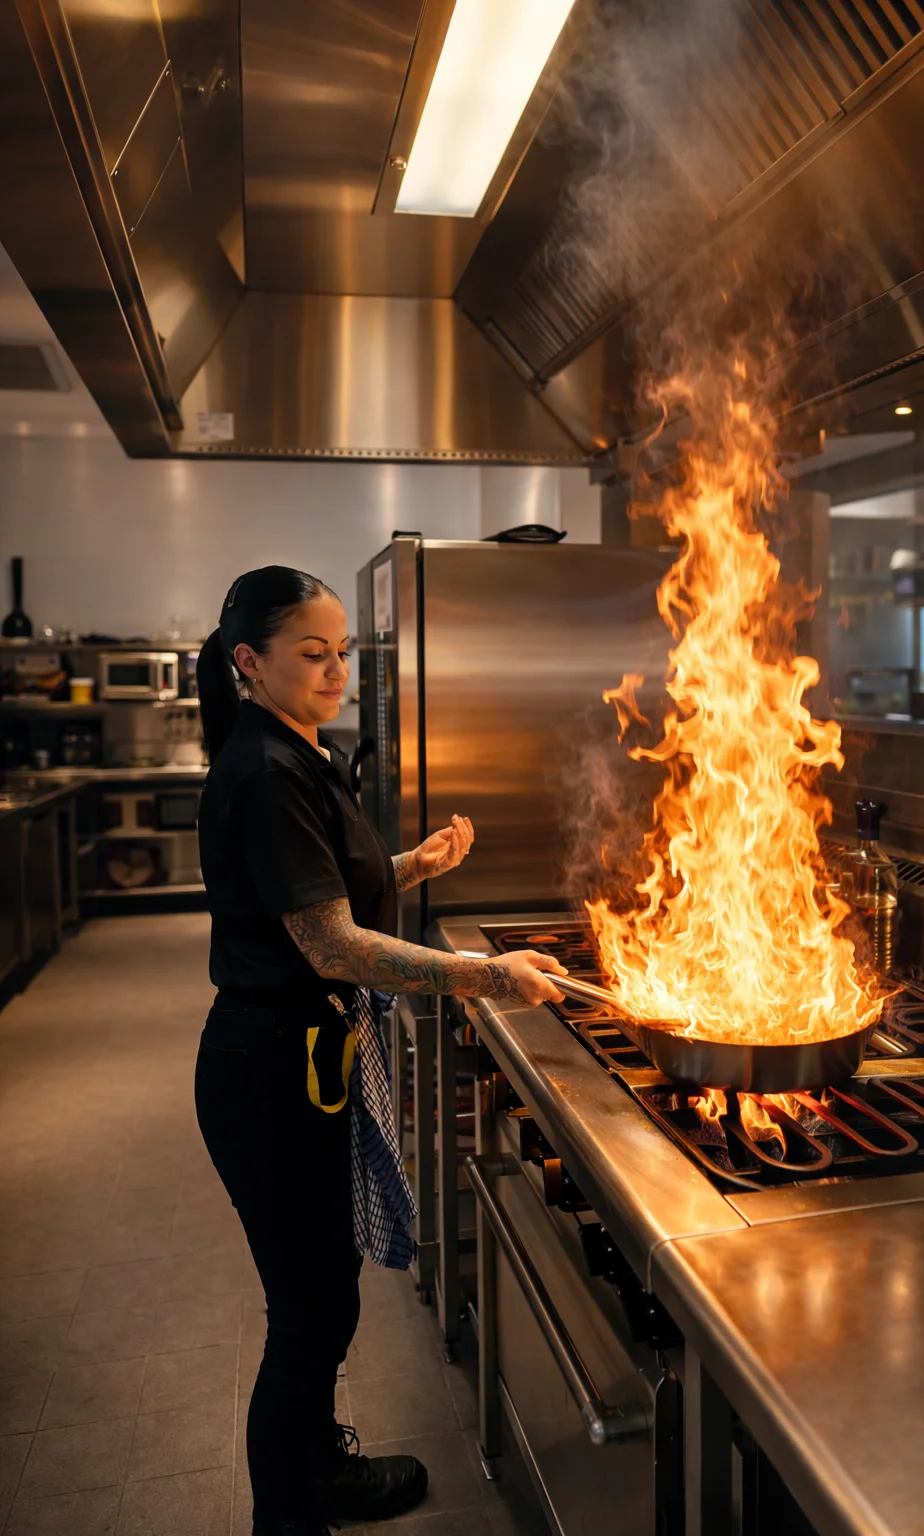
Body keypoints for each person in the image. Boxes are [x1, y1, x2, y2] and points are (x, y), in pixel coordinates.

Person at [194, 566, 566, 1536]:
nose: (334, 671)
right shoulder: (267, 769)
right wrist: (490, 978)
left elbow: (319, 888)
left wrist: (411, 865)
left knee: (322, 1300)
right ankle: (290, 1512)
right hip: (270, 1072)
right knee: (308, 1314)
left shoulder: (294, 752)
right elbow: (328, 943)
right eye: (311, 655)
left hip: (290, 1061)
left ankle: (317, 1470)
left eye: (343, 653)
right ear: (250, 662)